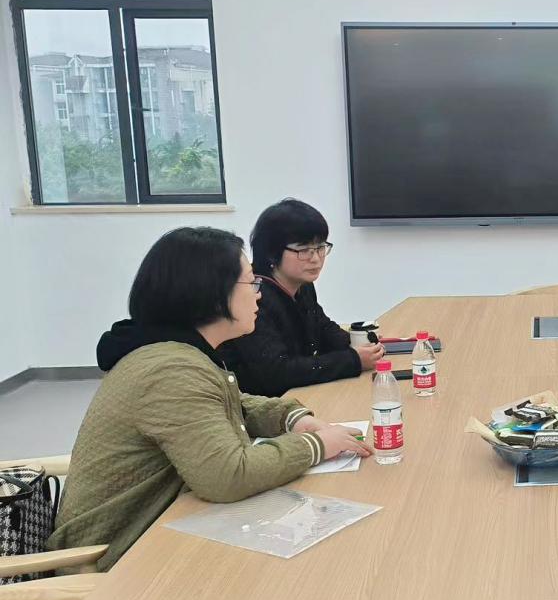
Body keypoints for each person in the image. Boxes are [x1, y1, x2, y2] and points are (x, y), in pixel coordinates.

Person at [47, 227, 371, 571]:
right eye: (250, 283)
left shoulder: (177, 351)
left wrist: (291, 418)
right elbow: (229, 476)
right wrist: (315, 446)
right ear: (213, 295)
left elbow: (228, 402)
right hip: (108, 559)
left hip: (159, 525)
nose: (259, 295)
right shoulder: (170, 370)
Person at [219, 198, 382, 397]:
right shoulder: (253, 294)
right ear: (272, 253)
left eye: (320, 248)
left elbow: (322, 327)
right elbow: (276, 372)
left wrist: (359, 344)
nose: (315, 259)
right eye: (304, 250)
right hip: (262, 403)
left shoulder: (302, 285)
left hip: (299, 394)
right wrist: (353, 360)